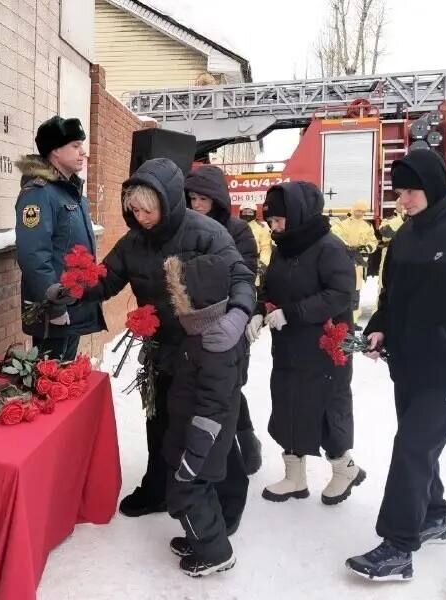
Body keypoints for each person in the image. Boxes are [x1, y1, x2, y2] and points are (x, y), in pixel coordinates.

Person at [52, 158, 256, 518]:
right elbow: (107, 279)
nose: (141, 217)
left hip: (208, 344)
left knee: (212, 428)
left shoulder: (205, 232)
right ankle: (158, 487)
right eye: (134, 210)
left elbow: (240, 274)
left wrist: (239, 315)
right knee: (160, 421)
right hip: (163, 348)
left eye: (147, 209)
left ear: (168, 201)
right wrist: (73, 288)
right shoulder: (134, 243)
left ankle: (228, 501)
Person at [346, 149, 446, 582]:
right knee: (420, 448)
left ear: (434, 185)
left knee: (412, 448)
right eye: (399, 193)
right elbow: (392, 298)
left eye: (411, 191)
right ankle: (433, 515)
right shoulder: (406, 237)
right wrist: (380, 329)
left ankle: (398, 546)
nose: (404, 201)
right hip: (410, 365)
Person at [246, 183, 366, 505]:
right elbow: (271, 288)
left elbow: (339, 294)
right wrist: (261, 310)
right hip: (289, 348)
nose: (274, 227)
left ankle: (344, 469)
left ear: (298, 215)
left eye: (279, 220)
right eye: (270, 222)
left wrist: (294, 313)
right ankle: (294, 476)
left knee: (327, 408)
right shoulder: (283, 249)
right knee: (288, 404)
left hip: (325, 348)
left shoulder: (329, 247)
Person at [162, 254, 249, 577]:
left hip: (203, 438)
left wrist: (194, 454)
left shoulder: (215, 345)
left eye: (180, 296)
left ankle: (215, 552)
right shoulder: (201, 331)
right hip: (187, 431)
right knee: (194, 489)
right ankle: (200, 537)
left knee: (190, 489)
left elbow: (213, 406)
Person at [185, 165, 262, 475]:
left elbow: (245, 275)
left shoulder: (237, 230)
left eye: (203, 199)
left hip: (229, 324)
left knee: (229, 391)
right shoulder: (186, 228)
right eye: (191, 198)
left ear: (217, 200)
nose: (196, 205)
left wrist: (235, 317)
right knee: (207, 394)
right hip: (193, 325)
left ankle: (244, 446)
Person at [15, 116, 104, 361]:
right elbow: (34, 255)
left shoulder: (73, 194)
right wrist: (54, 306)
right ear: (55, 151)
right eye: (75, 146)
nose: (82, 152)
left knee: (68, 380)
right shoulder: (39, 194)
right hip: (53, 310)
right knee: (50, 384)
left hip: (73, 306)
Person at [332, 200, 377, 325]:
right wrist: (348, 247)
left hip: (358, 265)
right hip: (344, 262)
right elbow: (335, 236)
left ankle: (354, 321)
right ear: (353, 209)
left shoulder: (366, 226)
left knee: (355, 294)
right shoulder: (342, 223)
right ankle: (342, 321)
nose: (360, 213)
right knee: (342, 291)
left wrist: (366, 248)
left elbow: (373, 241)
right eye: (358, 210)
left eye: (363, 211)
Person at [240, 198, 272, 286]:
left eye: (250, 212)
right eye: (244, 212)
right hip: (238, 261)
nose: (247, 214)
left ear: (254, 213)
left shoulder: (261, 228)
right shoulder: (235, 226)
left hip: (255, 263)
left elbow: (266, 247)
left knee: (253, 287)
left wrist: (263, 263)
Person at [376, 199, 405, 292]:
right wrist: (401, 219)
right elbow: (386, 232)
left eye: (404, 203)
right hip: (390, 254)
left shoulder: (415, 220)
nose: (402, 206)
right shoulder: (388, 220)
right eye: (400, 204)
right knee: (386, 283)